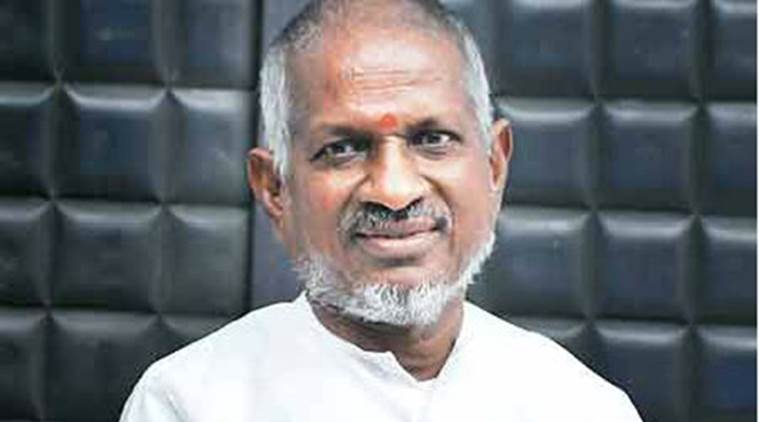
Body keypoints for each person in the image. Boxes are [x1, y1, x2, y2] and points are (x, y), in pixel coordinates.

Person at [120, 0, 642, 420]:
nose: (393, 191)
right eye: (343, 148)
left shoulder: (579, 407)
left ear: (493, 166)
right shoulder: (188, 404)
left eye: (432, 139)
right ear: (275, 188)